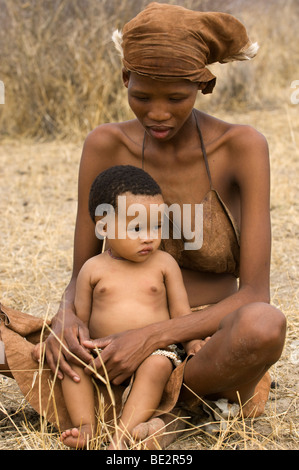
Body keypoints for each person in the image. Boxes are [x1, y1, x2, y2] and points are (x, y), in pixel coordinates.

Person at [0, 3, 286, 449]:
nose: (157, 113)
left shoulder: (242, 147)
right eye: (142, 96)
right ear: (124, 81)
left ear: (203, 85)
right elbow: (83, 268)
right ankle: (157, 418)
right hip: (108, 337)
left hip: (201, 343)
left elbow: (254, 294)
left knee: (264, 325)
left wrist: (151, 337)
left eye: (176, 98)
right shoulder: (105, 144)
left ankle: (167, 408)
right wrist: (68, 317)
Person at [59, 165, 200, 449]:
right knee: (70, 365)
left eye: (157, 225)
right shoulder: (92, 269)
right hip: (102, 354)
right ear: (105, 225)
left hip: (153, 352)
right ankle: (86, 426)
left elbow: (182, 313)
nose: (149, 236)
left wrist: (194, 341)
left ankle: (121, 436)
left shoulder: (164, 264)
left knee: (158, 365)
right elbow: (81, 321)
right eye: (137, 227)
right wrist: (75, 345)